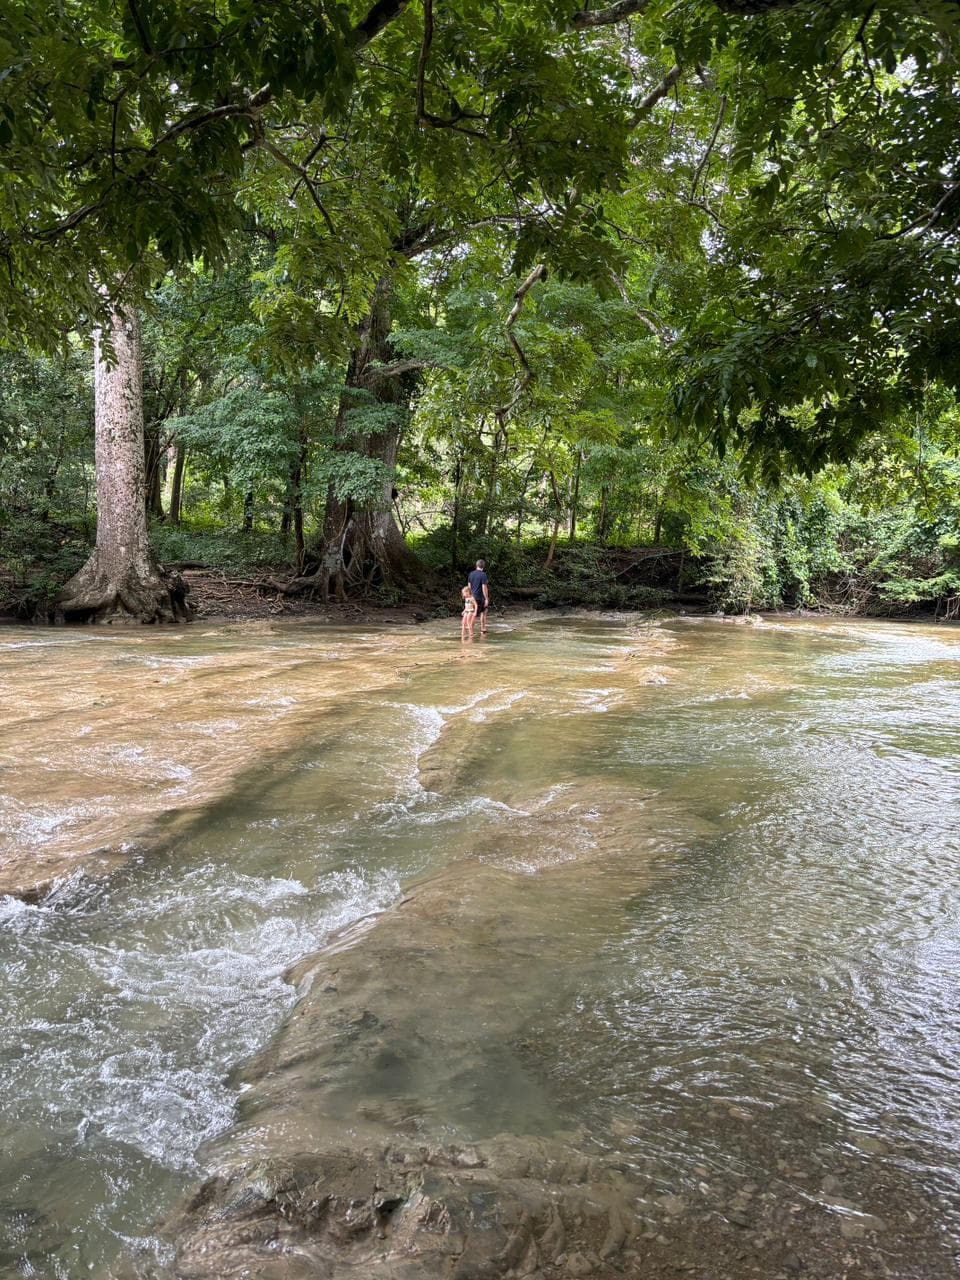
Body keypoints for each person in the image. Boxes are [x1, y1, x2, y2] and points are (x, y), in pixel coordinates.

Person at [468, 559, 490, 635]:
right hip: (480, 597)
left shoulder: (471, 574)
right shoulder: (483, 575)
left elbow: (469, 587)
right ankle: (482, 628)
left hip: (472, 597)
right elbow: (484, 587)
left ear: (476, 565)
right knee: (483, 613)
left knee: (473, 614)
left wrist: (470, 596)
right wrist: (486, 598)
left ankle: (472, 631)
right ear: (483, 566)